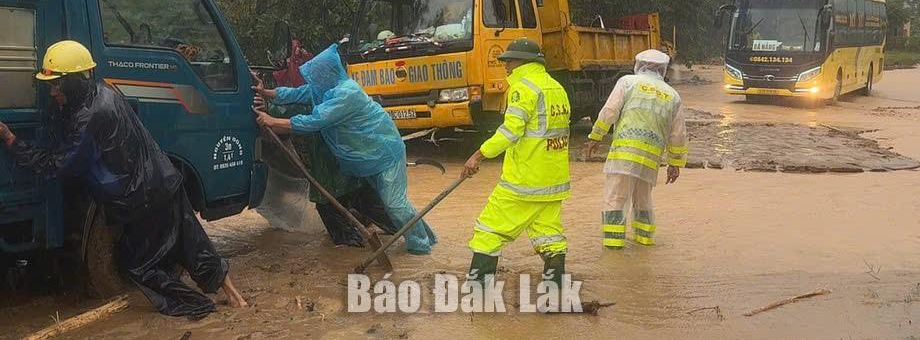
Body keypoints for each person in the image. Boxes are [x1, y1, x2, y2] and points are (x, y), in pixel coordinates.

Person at [0, 40, 247, 317]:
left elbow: (59, 165)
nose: (53, 91)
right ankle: (237, 301)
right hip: (165, 180)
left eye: (56, 84)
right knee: (193, 242)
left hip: (141, 199)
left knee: (139, 266)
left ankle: (199, 307)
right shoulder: (105, 92)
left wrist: (11, 140)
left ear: (72, 82)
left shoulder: (88, 117)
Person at [252, 44, 437, 254]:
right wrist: (265, 92)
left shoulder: (347, 94)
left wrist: (273, 120)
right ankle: (428, 237)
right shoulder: (323, 90)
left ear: (327, 74)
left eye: (315, 76)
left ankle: (420, 249)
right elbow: (295, 93)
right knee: (389, 204)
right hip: (365, 159)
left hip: (384, 153)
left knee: (395, 204)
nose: (313, 81)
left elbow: (315, 120)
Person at [460, 38, 571, 290]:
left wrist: (478, 155)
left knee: (489, 230)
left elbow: (510, 132)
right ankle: (555, 291)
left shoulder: (522, 89)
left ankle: (478, 290)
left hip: (524, 181)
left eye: (509, 60)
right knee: (549, 235)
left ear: (524, 61)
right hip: (553, 180)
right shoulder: (556, 88)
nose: (505, 65)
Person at [585, 49, 687, 249]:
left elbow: (609, 111)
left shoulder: (627, 82)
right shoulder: (672, 95)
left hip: (624, 153)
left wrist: (595, 136)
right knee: (643, 200)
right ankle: (645, 241)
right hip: (651, 158)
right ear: (663, 69)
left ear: (639, 64)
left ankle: (614, 247)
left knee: (615, 197)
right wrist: (674, 164)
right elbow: (678, 134)